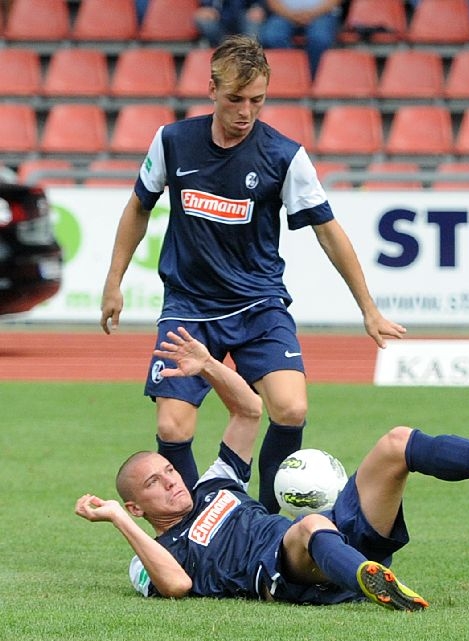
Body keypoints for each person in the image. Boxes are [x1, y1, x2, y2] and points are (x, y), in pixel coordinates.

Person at [99, 35, 406, 514]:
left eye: (257, 100)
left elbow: (329, 232)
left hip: (258, 304)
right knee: (172, 429)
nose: (246, 111)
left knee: (291, 409)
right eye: (235, 99)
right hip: (190, 306)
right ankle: (187, 531)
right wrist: (113, 281)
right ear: (212, 90)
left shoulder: (284, 156)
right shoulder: (173, 142)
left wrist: (368, 309)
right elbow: (138, 207)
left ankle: (266, 521)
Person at [75, 327, 469, 610]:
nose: (172, 481)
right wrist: (118, 518)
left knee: (396, 442)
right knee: (309, 524)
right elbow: (176, 585)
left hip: (329, 540)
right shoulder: (152, 555)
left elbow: (248, 410)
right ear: (138, 506)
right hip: (287, 568)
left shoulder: (214, 483)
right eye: (154, 484)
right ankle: (366, 579)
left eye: (168, 470)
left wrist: (208, 366)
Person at [258, 0, 343, 79]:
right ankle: (290, 76)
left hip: (322, 14)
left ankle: (312, 79)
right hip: (284, 14)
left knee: (319, 39)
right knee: (272, 37)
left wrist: (312, 14)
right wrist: (290, 14)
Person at [195, 0, 267, 46]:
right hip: (219, 15)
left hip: (245, 13)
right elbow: (205, 6)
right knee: (203, 20)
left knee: (254, 23)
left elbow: (259, 4)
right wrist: (206, 8)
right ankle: (226, 51)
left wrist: (258, 7)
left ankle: (249, 54)